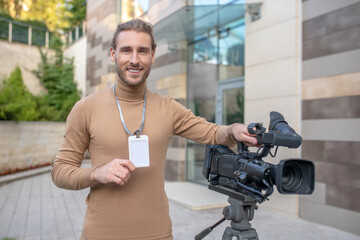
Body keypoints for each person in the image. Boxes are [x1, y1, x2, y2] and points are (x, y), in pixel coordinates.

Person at [51, 19, 258, 240]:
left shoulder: (168, 107)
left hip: (157, 234)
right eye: (126, 50)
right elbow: (60, 171)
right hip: (101, 234)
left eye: (142, 51)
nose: (134, 59)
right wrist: (95, 173)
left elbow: (214, 132)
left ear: (152, 55)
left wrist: (235, 129)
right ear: (113, 54)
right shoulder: (86, 108)